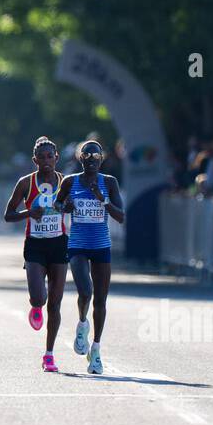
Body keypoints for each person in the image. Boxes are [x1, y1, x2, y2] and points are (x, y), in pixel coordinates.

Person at [56, 139, 125, 375]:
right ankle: (82, 323)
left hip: (101, 246)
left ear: (102, 159)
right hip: (77, 245)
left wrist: (102, 199)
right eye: (87, 157)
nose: (92, 161)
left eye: (96, 157)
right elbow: (57, 204)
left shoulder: (109, 183)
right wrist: (66, 206)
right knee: (85, 291)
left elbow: (121, 216)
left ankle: (95, 350)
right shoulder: (70, 181)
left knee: (101, 300)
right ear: (80, 158)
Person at [3, 136, 69, 372]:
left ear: (56, 158)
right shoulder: (25, 183)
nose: (46, 161)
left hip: (59, 244)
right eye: (41, 158)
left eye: (50, 156)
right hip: (35, 245)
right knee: (39, 298)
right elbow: (8, 215)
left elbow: (72, 206)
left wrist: (67, 206)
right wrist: (29, 213)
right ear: (35, 160)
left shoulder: (65, 182)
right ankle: (35, 306)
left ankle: (49, 355)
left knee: (56, 304)